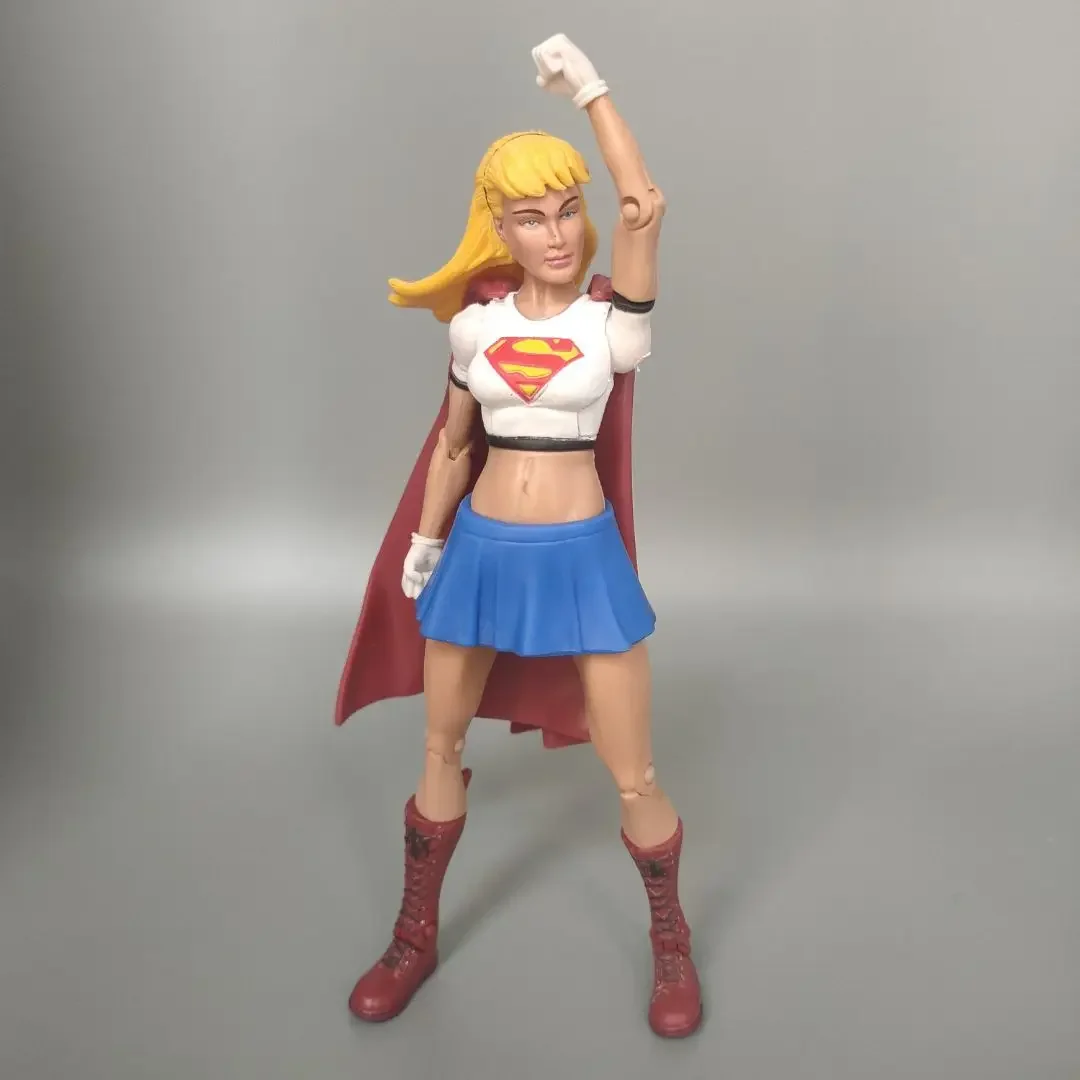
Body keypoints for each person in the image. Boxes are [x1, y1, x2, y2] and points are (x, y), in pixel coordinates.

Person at [334, 34, 702, 1039]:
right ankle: (414, 933)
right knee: (439, 745)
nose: (556, 232)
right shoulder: (476, 330)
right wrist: (424, 542)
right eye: (531, 216)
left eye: (567, 209)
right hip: (481, 554)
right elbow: (455, 445)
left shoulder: (608, 328)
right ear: (496, 227)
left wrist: (589, 88)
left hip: (581, 558)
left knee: (634, 771)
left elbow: (644, 204)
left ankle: (669, 937)